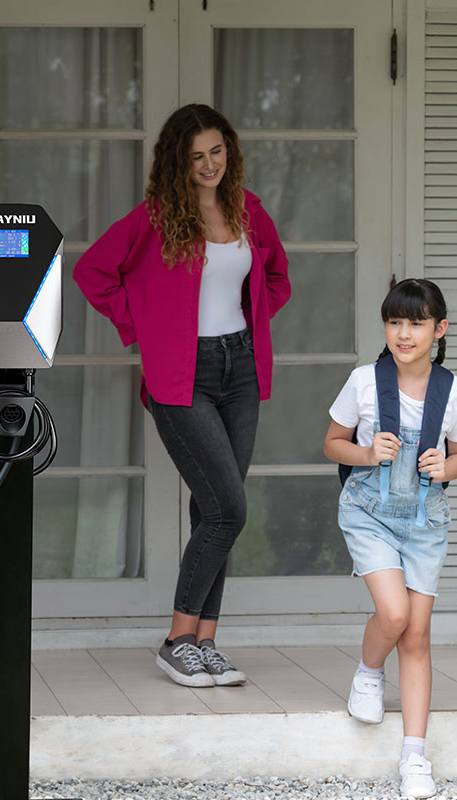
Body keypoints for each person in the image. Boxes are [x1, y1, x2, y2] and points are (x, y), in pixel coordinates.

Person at [73, 103, 291, 688]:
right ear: (179, 160)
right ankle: (176, 639)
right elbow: (93, 271)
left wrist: (255, 321)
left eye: (217, 151)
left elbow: (276, 278)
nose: (209, 164)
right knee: (228, 509)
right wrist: (143, 327)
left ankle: (205, 643)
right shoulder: (156, 216)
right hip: (181, 377)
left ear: (230, 151)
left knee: (211, 510)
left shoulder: (250, 213)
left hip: (239, 370)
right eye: (196, 156)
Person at [322, 278, 457, 799]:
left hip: (426, 520)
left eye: (416, 322)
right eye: (395, 321)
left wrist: (445, 464)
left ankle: (414, 756)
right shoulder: (364, 381)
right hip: (369, 512)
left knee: (417, 634)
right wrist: (368, 453)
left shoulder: (455, 392)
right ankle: (368, 672)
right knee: (394, 615)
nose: (404, 333)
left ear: (440, 328)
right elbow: (332, 444)